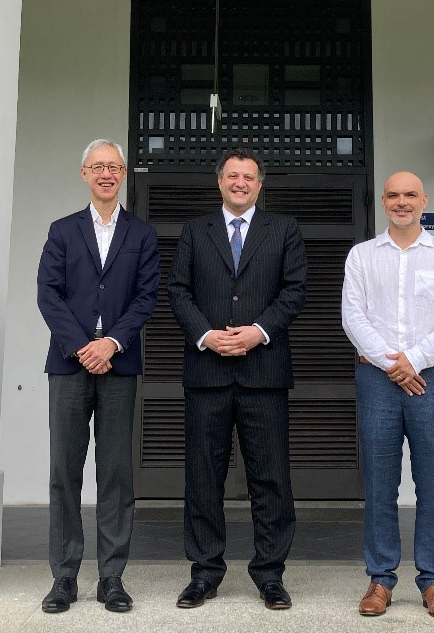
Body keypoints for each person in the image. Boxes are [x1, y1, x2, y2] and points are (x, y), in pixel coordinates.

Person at [167, 148, 307, 610]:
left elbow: (294, 290)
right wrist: (206, 335)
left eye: (249, 177)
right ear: (219, 182)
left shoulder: (284, 230)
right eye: (233, 175)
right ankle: (204, 573)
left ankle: (270, 574)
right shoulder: (195, 230)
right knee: (203, 478)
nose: (240, 182)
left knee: (270, 479)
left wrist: (258, 332)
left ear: (260, 185)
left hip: (263, 372)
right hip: (207, 372)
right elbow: (178, 290)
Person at [36, 139, 160, 614]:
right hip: (69, 365)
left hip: (120, 364)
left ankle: (112, 576)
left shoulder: (141, 234)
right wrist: (82, 347)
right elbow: (48, 295)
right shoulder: (63, 231)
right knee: (64, 472)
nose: (106, 174)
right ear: (84, 173)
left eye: (114, 166)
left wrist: (112, 344)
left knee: (115, 474)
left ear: (124, 173)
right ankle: (64, 575)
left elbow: (145, 298)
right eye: (98, 166)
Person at [341, 171, 434, 619]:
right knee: (379, 482)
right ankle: (380, 579)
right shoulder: (361, 256)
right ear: (383, 201)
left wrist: (412, 360)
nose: (401, 202)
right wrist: (392, 365)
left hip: (431, 379)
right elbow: (352, 318)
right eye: (393, 195)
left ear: (423, 200)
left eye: (410, 194)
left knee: (433, 483)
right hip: (377, 380)